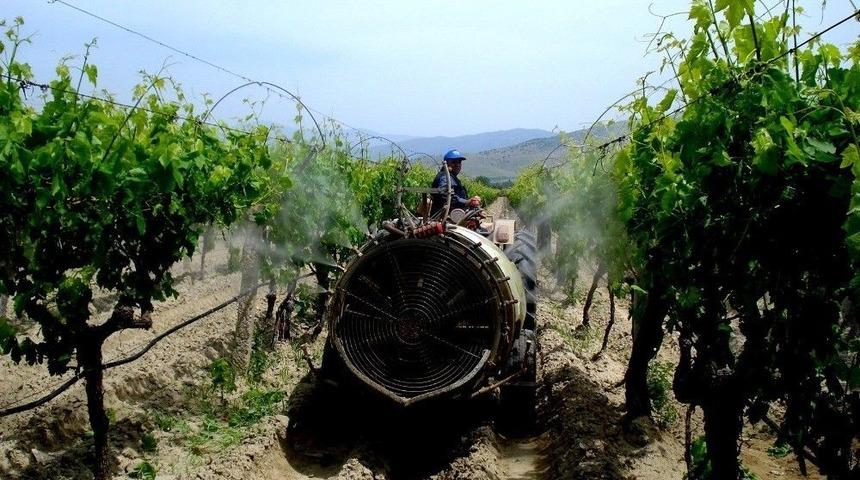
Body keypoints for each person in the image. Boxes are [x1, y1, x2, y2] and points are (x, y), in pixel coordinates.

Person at [431, 149, 481, 216]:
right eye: (454, 162)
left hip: (456, 214)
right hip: (446, 216)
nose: (457, 165)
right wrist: (466, 202)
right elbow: (446, 195)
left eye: (459, 162)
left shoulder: (451, 177)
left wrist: (471, 203)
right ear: (446, 163)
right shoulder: (445, 177)